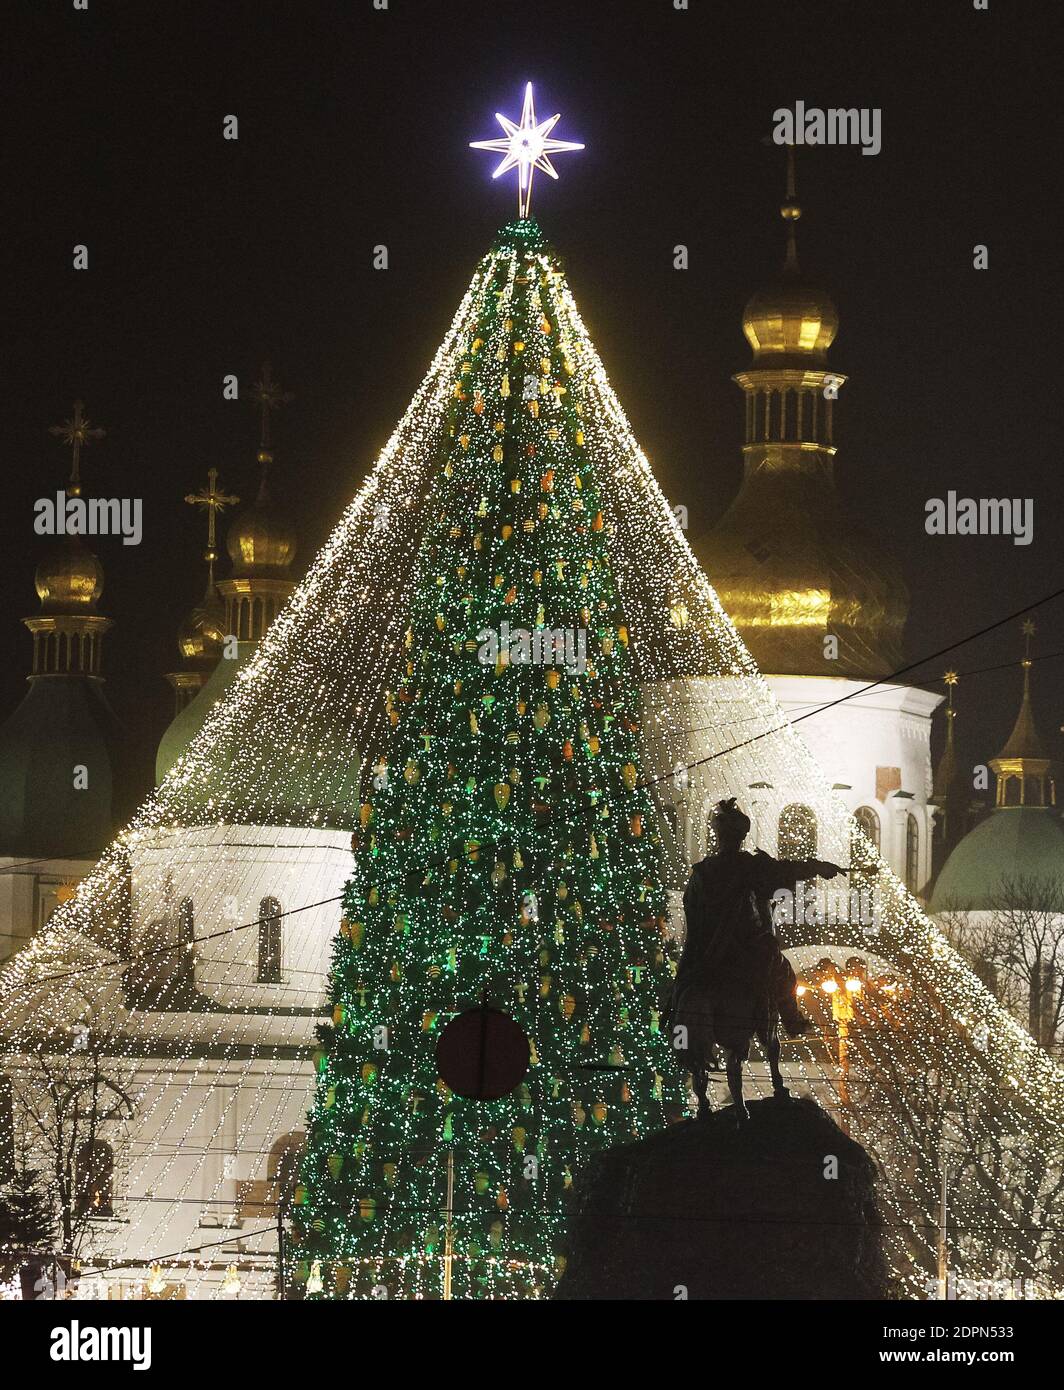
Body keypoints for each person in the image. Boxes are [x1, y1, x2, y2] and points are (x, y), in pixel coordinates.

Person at [672, 797, 846, 1117]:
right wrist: (819, 867)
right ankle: (791, 1020)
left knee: (681, 992)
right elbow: (785, 871)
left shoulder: (700, 874)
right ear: (740, 838)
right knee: (782, 970)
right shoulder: (747, 866)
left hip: (706, 957)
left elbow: (691, 918)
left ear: (717, 836)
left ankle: (699, 1091)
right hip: (743, 953)